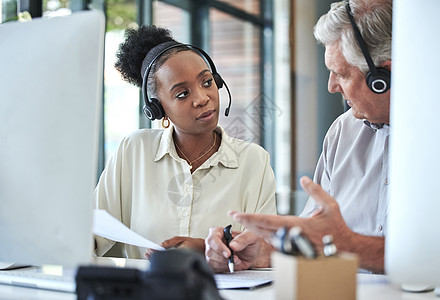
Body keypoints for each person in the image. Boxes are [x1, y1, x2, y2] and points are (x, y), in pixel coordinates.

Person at [205, 0, 391, 274]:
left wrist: (351, 246)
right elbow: (312, 239)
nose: (330, 86)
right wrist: (263, 252)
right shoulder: (343, 133)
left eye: (341, 73)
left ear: (383, 76)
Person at [94, 25, 277, 259]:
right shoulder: (134, 150)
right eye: (182, 94)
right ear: (158, 109)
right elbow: (94, 231)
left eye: (207, 82)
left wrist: (204, 249)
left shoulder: (254, 160)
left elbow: (263, 250)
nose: (202, 98)